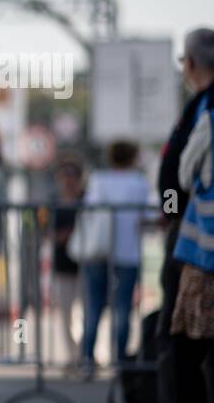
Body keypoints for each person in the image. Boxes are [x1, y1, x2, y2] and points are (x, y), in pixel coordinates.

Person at [129, 27, 214, 403]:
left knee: (184, 335)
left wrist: (174, 212)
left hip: (199, 242)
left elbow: (184, 173)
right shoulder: (204, 102)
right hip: (194, 234)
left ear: (191, 64)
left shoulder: (211, 106)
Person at [78, 140, 152, 375]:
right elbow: (155, 210)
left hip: (98, 251)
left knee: (93, 307)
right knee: (122, 309)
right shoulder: (139, 182)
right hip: (128, 253)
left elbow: (89, 209)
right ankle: (120, 362)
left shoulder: (98, 179)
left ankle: (87, 359)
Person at [51, 159, 84, 369]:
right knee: (65, 314)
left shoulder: (86, 199)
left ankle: (85, 354)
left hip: (84, 264)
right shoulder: (54, 202)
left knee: (84, 313)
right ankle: (72, 356)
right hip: (62, 265)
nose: (68, 180)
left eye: (72, 175)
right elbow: (42, 227)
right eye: (64, 175)